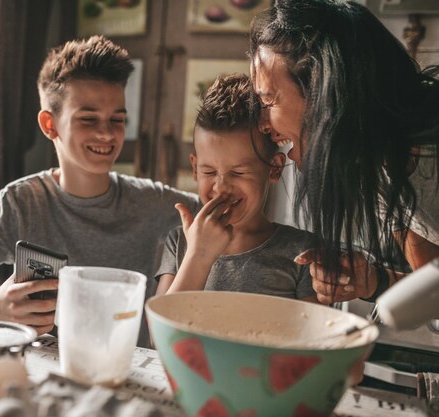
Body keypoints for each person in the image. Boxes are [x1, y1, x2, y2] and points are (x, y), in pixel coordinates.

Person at [0, 36, 199, 345]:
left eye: (117, 119)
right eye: (88, 119)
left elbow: (222, 212)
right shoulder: (20, 203)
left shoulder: (154, 202)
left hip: (126, 370)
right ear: (49, 125)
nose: (106, 133)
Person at [249, 0, 439, 305]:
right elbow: (432, 286)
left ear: (325, 91)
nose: (261, 124)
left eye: (269, 100)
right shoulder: (378, 172)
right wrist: (370, 281)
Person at [155, 73, 317, 302]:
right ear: (194, 168)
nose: (221, 188)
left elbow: (317, 336)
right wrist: (198, 256)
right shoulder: (180, 243)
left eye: (238, 173)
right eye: (209, 172)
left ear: (274, 168)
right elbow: (159, 338)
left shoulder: (302, 252)